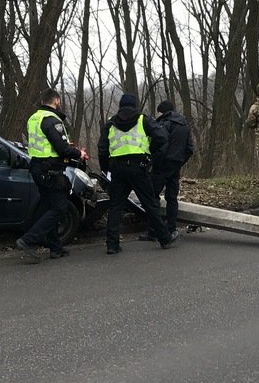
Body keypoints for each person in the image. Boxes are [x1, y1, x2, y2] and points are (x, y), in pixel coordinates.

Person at [98, 92, 178, 254]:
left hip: (118, 169)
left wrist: (106, 168)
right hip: (138, 167)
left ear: (120, 106)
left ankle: (112, 245)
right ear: (135, 105)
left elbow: (102, 149)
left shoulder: (111, 123)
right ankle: (164, 238)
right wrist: (150, 157)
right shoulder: (143, 120)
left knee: (115, 206)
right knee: (150, 204)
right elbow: (162, 138)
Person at [15, 88, 86, 264]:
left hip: (38, 168)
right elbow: (61, 149)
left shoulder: (34, 118)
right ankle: (28, 240)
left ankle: (55, 247)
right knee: (60, 208)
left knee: (49, 207)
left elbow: (47, 142)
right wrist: (79, 153)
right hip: (50, 170)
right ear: (56, 101)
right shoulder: (51, 119)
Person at [139, 100, 195, 240]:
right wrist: (180, 161)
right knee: (172, 198)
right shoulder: (184, 125)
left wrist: (153, 161)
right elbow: (190, 148)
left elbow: (160, 143)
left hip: (162, 165)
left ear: (162, 112)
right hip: (176, 165)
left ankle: (154, 231)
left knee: (152, 196)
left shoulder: (165, 124)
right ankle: (171, 229)